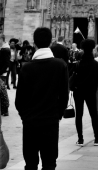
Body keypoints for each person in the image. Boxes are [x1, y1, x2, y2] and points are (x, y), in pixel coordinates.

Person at [15, 26, 69, 169]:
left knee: (30, 163)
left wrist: (25, 116)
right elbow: (64, 96)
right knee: (49, 163)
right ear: (51, 42)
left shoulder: (26, 67)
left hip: (30, 123)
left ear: (34, 43)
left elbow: (19, 100)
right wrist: (57, 115)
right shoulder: (60, 65)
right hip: (51, 121)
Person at [71, 38, 98, 146]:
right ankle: (97, 138)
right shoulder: (96, 64)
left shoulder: (78, 63)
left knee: (79, 114)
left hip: (78, 91)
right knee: (93, 114)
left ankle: (80, 139)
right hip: (91, 91)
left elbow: (73, 76)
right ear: (93, 48)